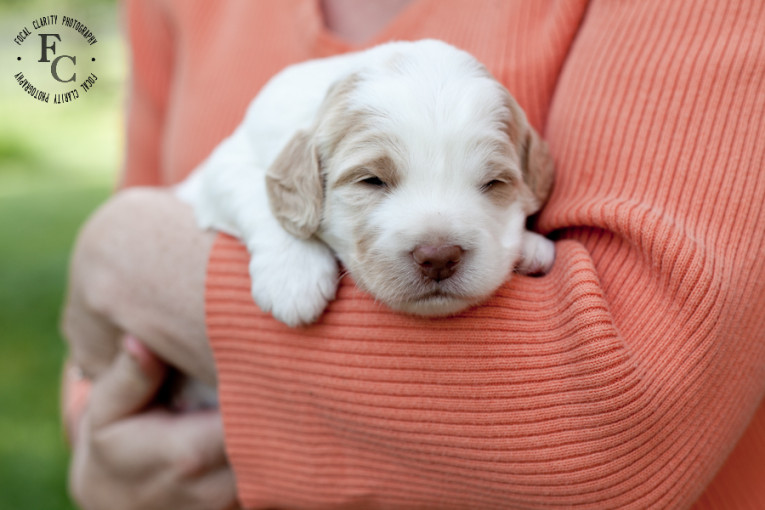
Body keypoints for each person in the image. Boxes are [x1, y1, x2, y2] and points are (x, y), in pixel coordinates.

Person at [62, 0, 765, 508]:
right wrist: (97, 434)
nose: (436, 247)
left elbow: (610, 432)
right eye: (372, 180)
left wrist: (123, 252)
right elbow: (101, 380)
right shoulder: (270, 109)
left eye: (490, 183)